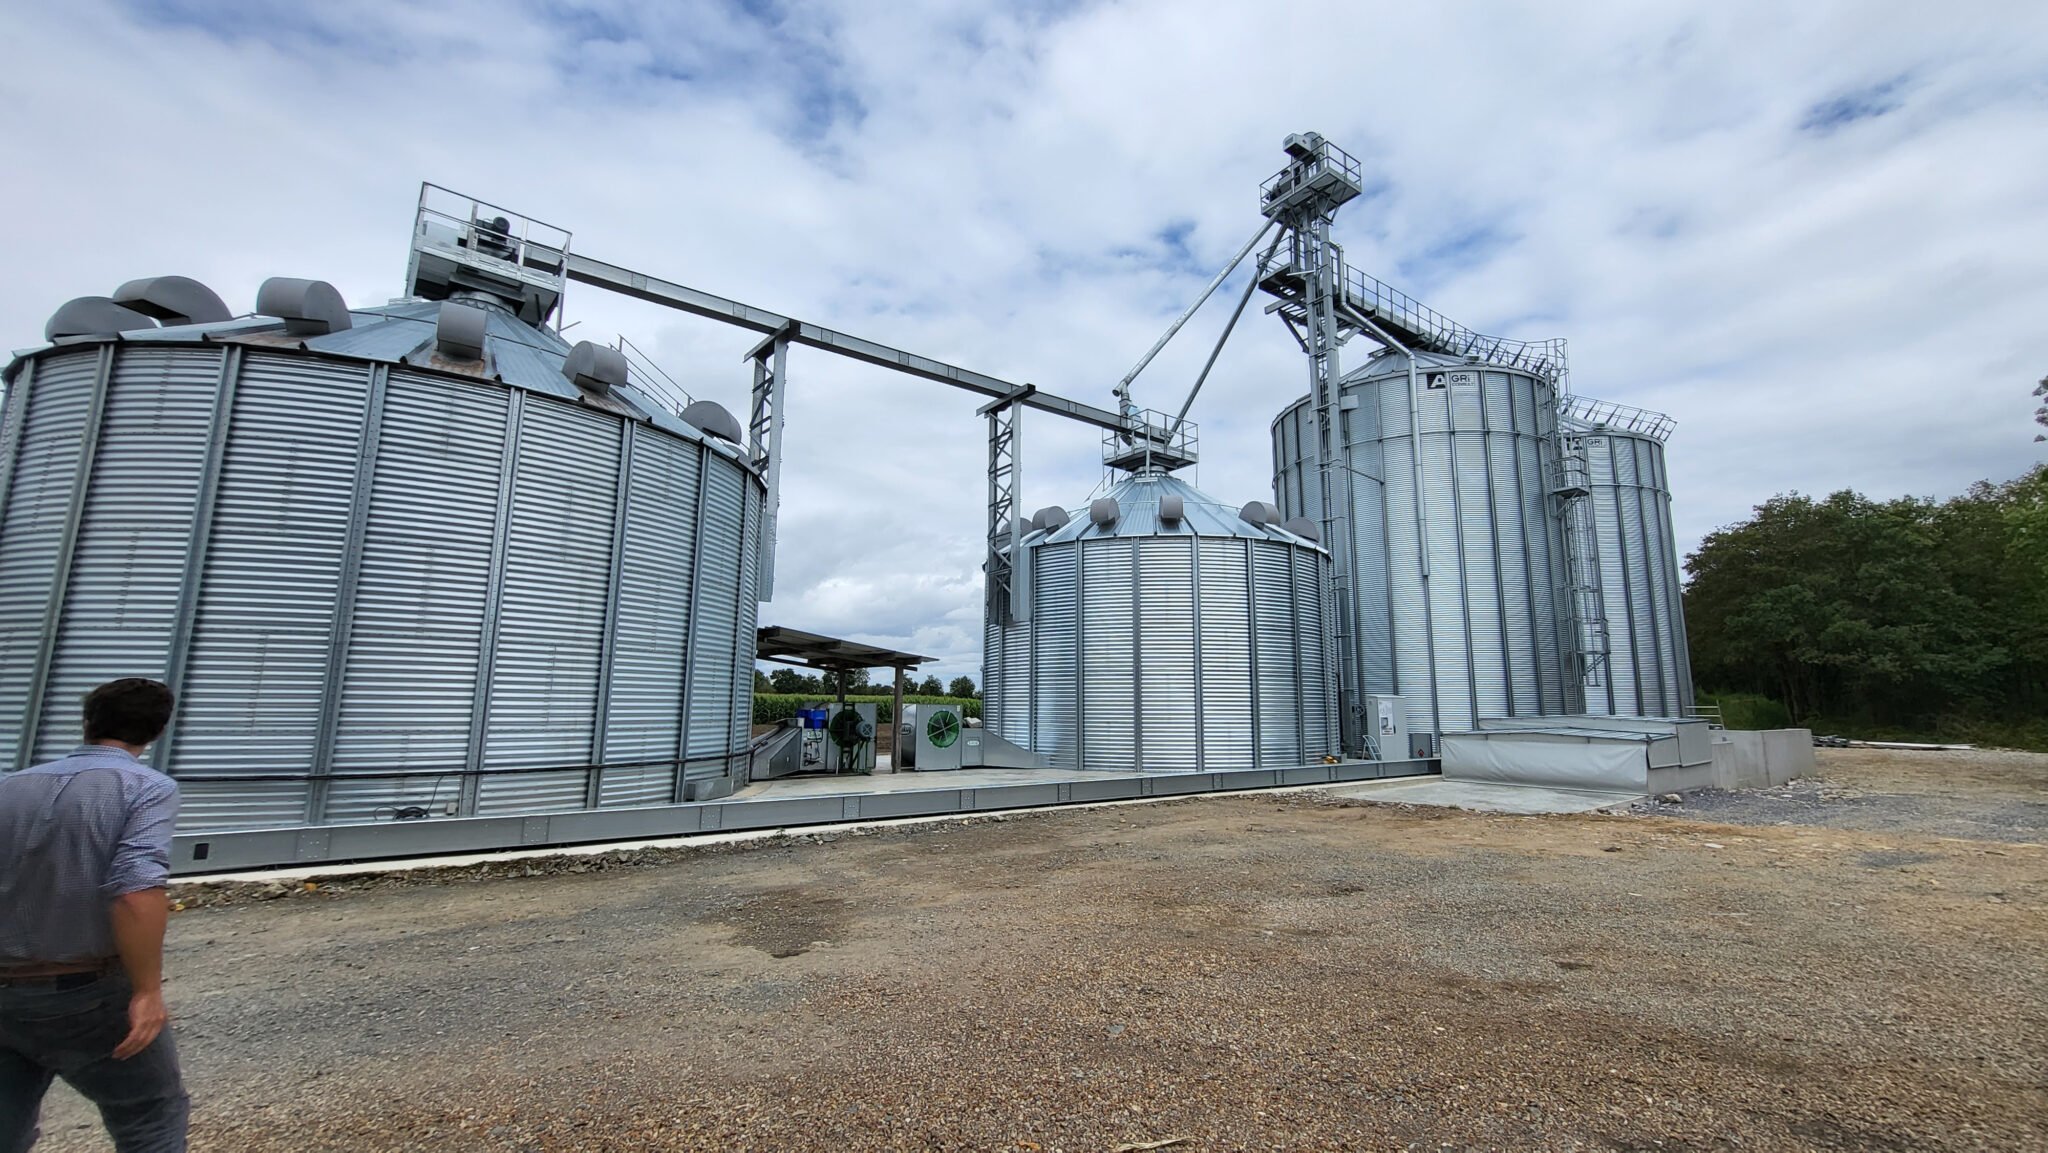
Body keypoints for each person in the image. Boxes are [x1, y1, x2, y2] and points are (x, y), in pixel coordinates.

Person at [0, 678, 188, 1152]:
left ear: (86, 723)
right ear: (156, 732)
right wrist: (147, 991)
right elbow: (135, 889)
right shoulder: (146, 788)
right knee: (151, 1118)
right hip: (86, 992)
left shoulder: (10, 787)